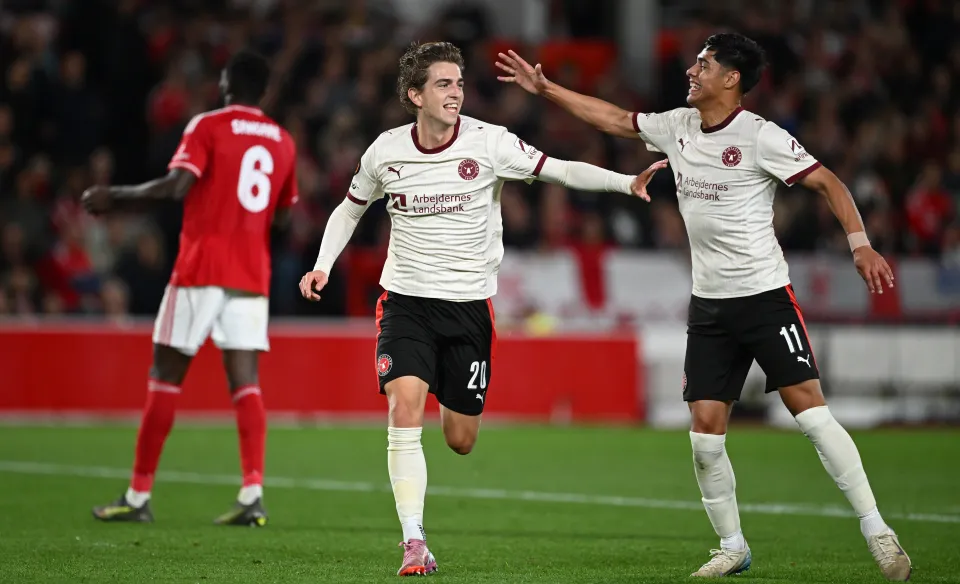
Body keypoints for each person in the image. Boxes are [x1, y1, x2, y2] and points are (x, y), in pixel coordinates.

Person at [496, 33, 911, 581]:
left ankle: (878, 531)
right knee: (704, 436)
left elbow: (829, 182)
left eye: (704, 64)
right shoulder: (678, 127)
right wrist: (547, 89)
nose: (691, 70)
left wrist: (860, 244)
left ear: (731, 79)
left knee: (810, 413)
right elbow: (617, 119)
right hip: (710, 307)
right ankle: (732, 545)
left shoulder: (760, 136)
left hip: (765, 298)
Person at [298, 40, 666, 577]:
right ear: (414, 94)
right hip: (406, 303)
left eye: (460, 83)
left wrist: (623, 182)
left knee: (460, 439)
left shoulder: (489, 143)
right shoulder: (384, 152)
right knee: (404, 409)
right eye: (444, 84)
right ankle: (413, 541)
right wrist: (323, 264)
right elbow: (349, 210)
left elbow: (558, 170)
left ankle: (445, 398)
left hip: (469, 309)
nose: (456, 93)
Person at [81, 49, 298, 527]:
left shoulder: (208, 126)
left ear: (226, 85)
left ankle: (137, 498)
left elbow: (178, 187)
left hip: (201, 268)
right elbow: (283, 214)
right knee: (245, 383)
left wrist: (114, 196)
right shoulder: (283, 141)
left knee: (165, 376)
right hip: (251, 274)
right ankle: (253, 493)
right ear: (263, 92)